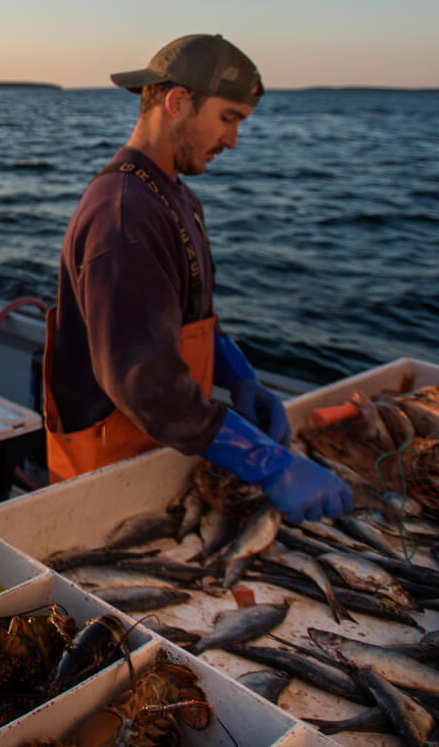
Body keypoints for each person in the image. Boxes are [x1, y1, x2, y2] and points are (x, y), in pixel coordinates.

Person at [41, 33, 353, 524]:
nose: (232, 140)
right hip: (107, 477)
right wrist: (268, 464)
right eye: (228, 118)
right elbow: (145, 385)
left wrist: (240, 376)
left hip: (166, 449)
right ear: (178, 101)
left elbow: (190, 312)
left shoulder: (176, 197)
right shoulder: (123, 216)